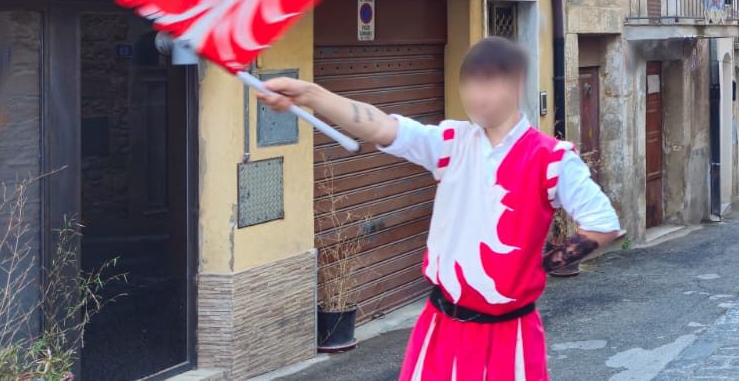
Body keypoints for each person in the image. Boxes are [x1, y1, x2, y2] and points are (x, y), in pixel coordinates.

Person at [256, 37, 622, 381]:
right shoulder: (450, 143)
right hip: (440, 324)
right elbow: (382, 126)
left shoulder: (550, 158)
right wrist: (310, 94)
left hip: (510, 331)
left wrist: (542, 265)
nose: (475, 95)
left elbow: (602, 223)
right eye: (469, 84)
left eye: (488, 84)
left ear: (515, 84)